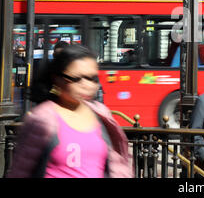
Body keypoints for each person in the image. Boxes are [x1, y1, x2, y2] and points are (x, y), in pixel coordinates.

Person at [7, 44, 133, 178]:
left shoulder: (102, 114)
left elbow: (118, 166)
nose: (86, 85)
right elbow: (20, 171)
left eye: (92, 79)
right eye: (76, 79)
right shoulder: (42, 119)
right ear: (57, 79)